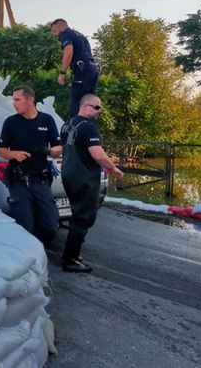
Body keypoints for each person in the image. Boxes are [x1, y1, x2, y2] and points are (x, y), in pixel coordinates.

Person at [60, 94, 123, 273]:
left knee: (77, 215)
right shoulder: (89, 128)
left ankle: (71, 254)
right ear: (85, 106)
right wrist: (114, 168)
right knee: (83, 218)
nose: (99, 111)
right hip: (84, 179)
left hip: (69, 176)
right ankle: (70, 260)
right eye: (96, 107)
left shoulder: (67, 125)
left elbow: (64, 149)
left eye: (99, 108)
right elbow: (97, 154)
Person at [0, 86, 63, 246]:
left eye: (17, 100)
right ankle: (27, 255)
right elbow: (2, 150)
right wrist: (15, 154)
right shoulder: (11, 122)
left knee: (50, 225)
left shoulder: (46, 120)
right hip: (18, 179)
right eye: (13, 99)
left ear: (30, 100)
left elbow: (59, 147)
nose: (14, 103)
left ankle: (38, 246)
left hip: (40, 179)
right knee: (25, 224)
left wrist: (49, 150)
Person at [50, 18, 99, 118]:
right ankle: (89, 129)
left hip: (82, 71)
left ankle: (76, 130)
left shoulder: (66, 34)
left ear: (60, 27)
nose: (55, 35)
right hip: (92, 69)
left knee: (77, 104)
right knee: (90, 103)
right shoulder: (80, 35)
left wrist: (62, 73)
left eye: (54, 31)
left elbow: (68, 52)